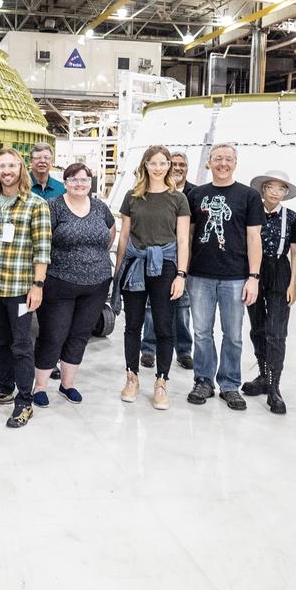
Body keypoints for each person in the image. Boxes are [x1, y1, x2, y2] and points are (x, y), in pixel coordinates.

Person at [0, 148, 52, 428]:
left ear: (21, 169)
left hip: (20, 289)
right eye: (1, 166)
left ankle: (25, 400)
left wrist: (38, 285)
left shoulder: (35, 204)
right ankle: (4, 388)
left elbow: (42, 250)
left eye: (11, 165)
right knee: (1, 342)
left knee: (21, 345)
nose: (6, 171)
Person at [185, 142, 263, 411]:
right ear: (209, 162)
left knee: (233, 335)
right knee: (202, 332)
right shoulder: (196, 195)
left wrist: (253, 276)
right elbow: (189, 235)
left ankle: (230, 385)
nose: (223, 163)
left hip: (235, 277)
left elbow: (254, 237)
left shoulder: (249, 196)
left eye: (228, 159)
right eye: (217, 159)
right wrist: (183, 272)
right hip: (200, 275)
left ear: (235, 163)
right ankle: (204, 380)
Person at [114, 145, 190, 410]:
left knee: (163, 326)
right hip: (135, 263)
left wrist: (181, 274)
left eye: (163, 163)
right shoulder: (132, 196)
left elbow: (182, 239)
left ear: (169, 166)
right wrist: (118, 271)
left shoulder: (177, 198)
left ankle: (161, 381)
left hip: (166, 266)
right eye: (153, 163)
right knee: (133, 324)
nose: (158, 167)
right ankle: (132, 377)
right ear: (145, 165)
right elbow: (124, 236)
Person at [33, 162, 114, 406]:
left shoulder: (100, 207)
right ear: (65, 182)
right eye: (73, 179)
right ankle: (40, 386)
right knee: (53, 335)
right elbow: (42, 242)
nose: (79, 183)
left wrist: (95, 257)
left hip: (97, 284)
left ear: (91, 182)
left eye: (84, 179)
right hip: (60, 284)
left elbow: (110, 232)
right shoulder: (54, 207)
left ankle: (67, 385)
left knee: (79, 335)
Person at [241, 169, 296, 414]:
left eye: (281, 189)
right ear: (263, 189)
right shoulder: (251, 211)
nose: (276, 193)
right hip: (254, 271)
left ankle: (275, 386)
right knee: (257, 327)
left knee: (277, 332)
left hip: (279, 271)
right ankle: (264, 376)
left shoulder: (292, 216)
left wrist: (293, 284)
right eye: (272, 187)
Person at [141, 149, 195, 370]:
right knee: (152, 307)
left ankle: (183, 350)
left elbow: (190, 234)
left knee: (182, 307)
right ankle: (148, 348)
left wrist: (185, 267)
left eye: (182, 164)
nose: (178, 168)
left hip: (182, 259)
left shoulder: (194, 193)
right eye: (174, 164)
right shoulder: (150, 192)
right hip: (157, 259)